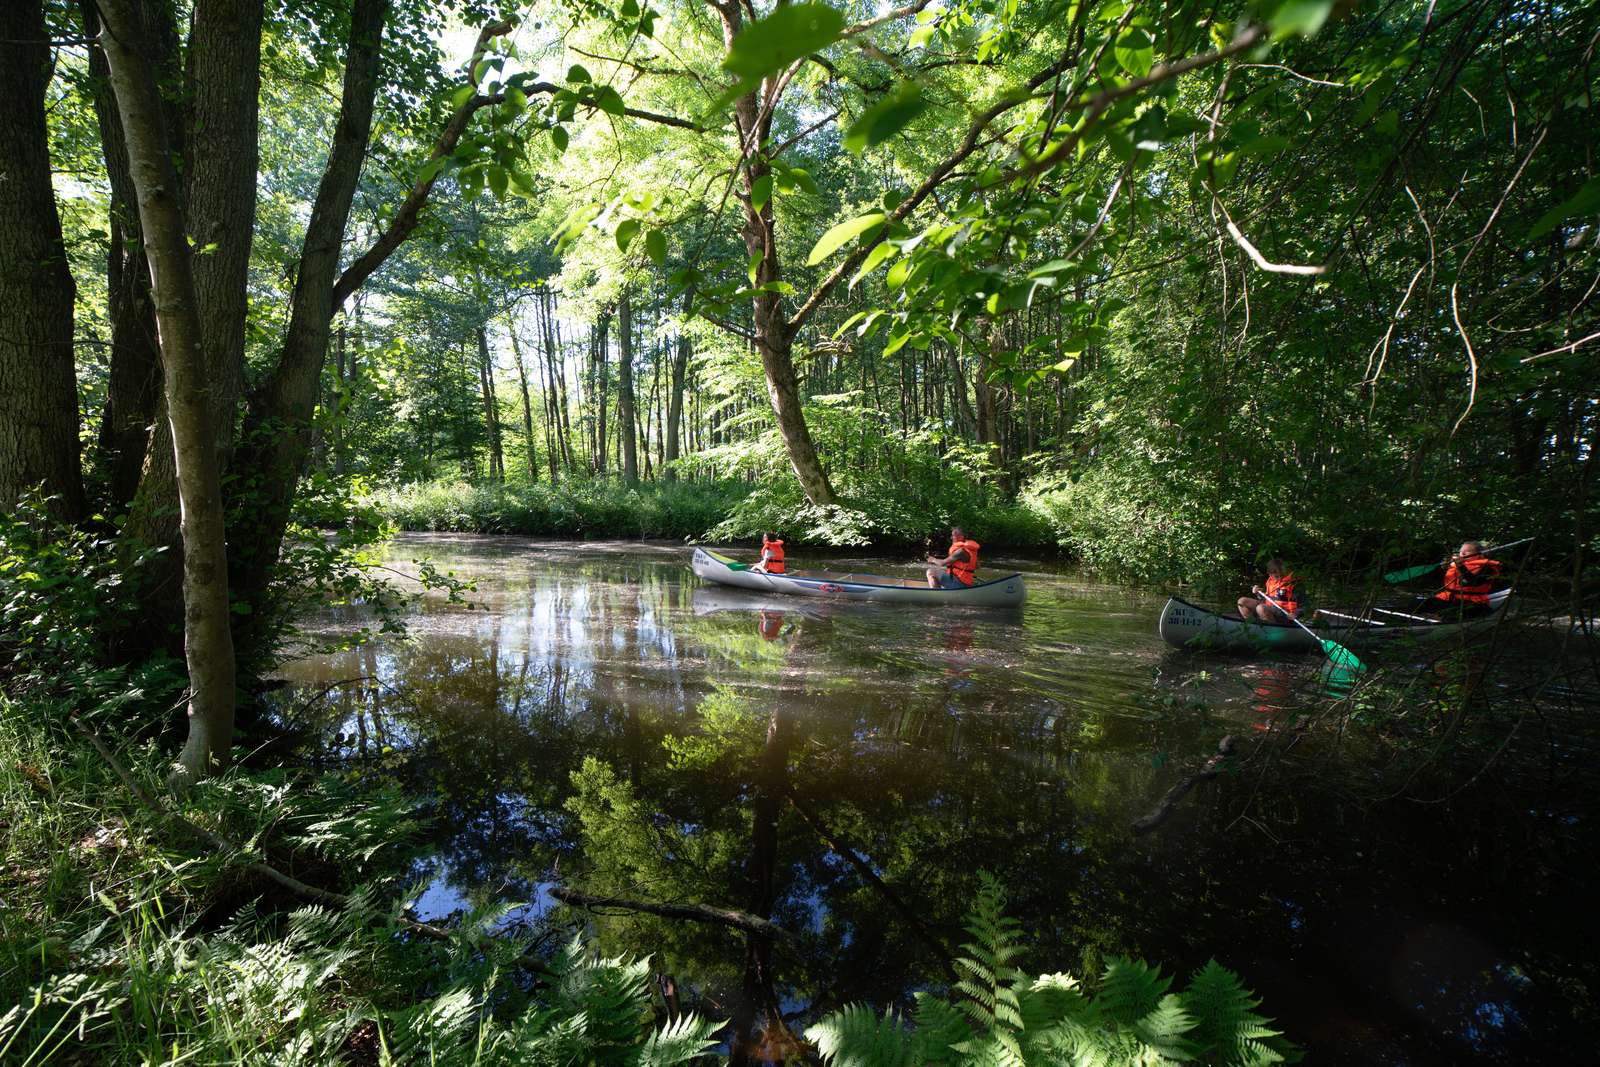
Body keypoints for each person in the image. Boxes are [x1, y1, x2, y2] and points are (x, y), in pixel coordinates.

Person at [1420, 540, 1501, 615]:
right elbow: (1439, 579)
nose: (1462, 554)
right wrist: (1442, 568)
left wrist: (1461, 566)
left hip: (1471, 602)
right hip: (1448, 597)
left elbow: (1475, 582)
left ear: (1479, 554)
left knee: (1451, 613)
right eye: (1461, 551)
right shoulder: (1455, 565)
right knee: (1421, 603)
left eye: (1467, 551)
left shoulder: (1486, 567)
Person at [1237, 557, 1301, 623]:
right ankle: (1252, 625)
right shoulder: (1270, 581)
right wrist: (1257, 593)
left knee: (1261, 608)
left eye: (1281, 575)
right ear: (1269, 574)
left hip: (1285, 613)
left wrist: (1296, 613)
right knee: (1242, 601)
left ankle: (1272, 630)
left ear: (1284, 571)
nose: (1279, 578)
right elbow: (1265, 599)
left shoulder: (1293, 582)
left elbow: (1305, 604)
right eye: (1276, 576)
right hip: (1270, 608)